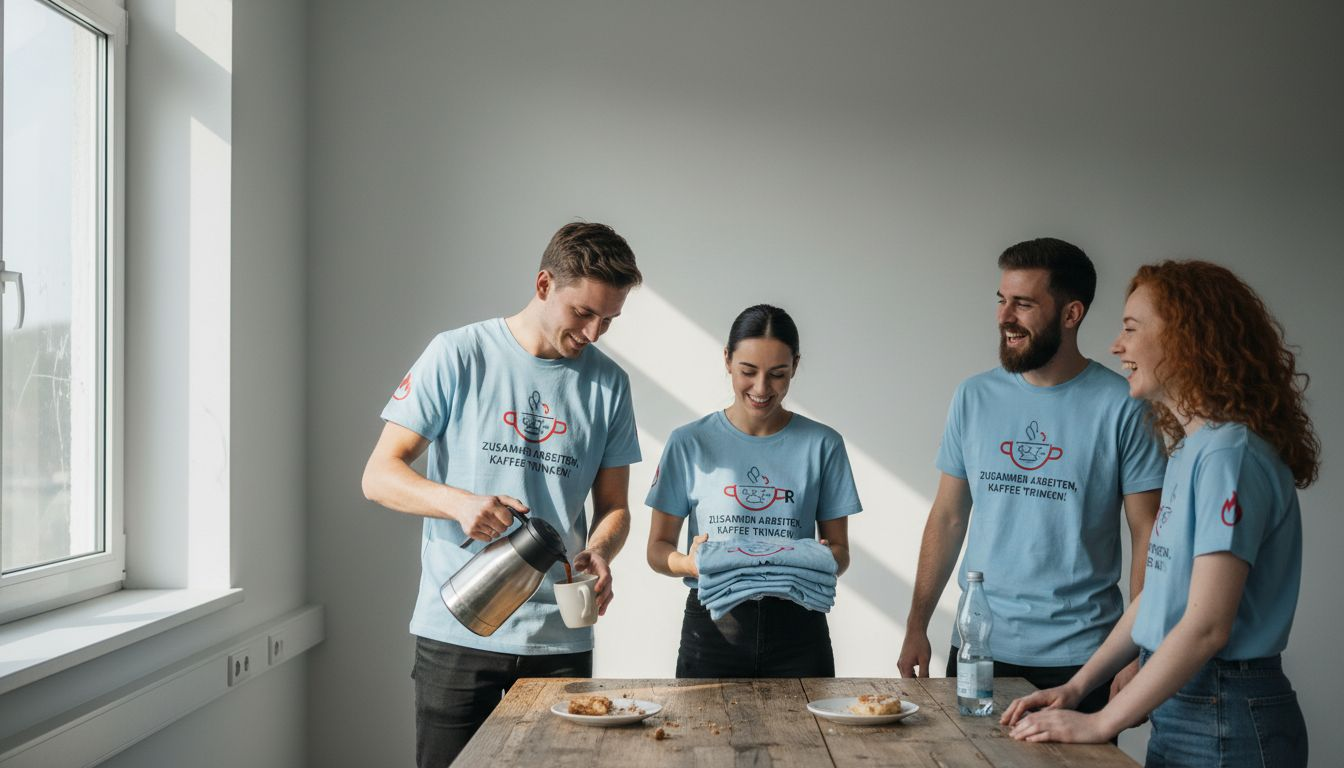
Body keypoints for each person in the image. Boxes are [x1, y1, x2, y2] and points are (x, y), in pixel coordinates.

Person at [1004, 260, 1315, 767]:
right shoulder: (1195, 449)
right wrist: (1079, 687)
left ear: (1189, 338)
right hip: (1190, 704)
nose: (1115, 345)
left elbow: (1207, 625)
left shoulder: (1228, 454)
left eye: (1131, 328)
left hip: (1224, 710)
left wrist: (1105, 720)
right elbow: (1159, 599)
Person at [361, 222, 643, 767]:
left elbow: (615, 507)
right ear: (543, 285)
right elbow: (378, 475)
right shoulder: (458, 354)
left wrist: (602, 551)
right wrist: (460, 503)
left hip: (561, 641)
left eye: (609, 319)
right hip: (457, 632)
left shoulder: (610, 384)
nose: (593, 332)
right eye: (583, 313)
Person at [898, 238, 1167, 716]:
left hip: (1082, 659)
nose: (1004, 317)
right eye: (1002, 300)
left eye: (1023, 304)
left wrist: (1139, 649)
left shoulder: (1124, 404)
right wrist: (917, 623)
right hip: (980, 647)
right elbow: (948, 517)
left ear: (1071, 314)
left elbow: (1147, 529)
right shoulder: (973, 397)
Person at [645, 304, 862, 677]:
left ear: (795, 365)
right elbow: (657, 549)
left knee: (808, 737)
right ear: (727, 360)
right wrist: (690, 563)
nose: (762, 389)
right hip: (713, 629)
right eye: (748, 371)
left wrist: (820, 560)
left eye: (778, 374)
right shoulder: (689, 442)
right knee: (701, 736)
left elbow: (840, 552)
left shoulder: (823, 445)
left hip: (799, 629)